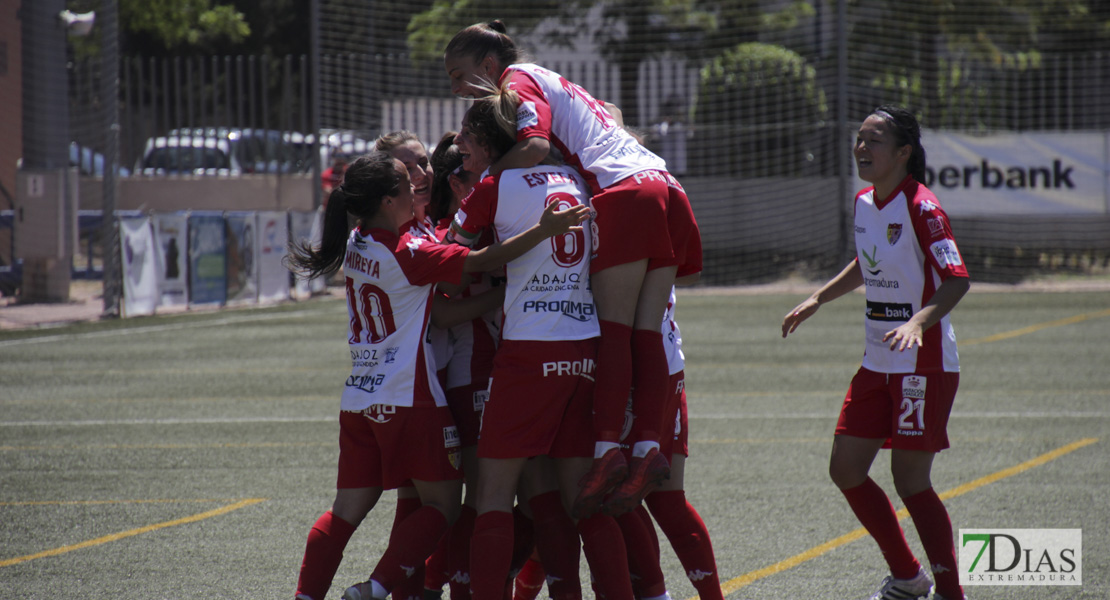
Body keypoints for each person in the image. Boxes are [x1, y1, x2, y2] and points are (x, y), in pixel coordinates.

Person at [286, 151, 589, 600]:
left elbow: (440, 304)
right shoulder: (410, 251)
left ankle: (306, 596)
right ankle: (375, 588)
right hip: (411, 398)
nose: (417, 191)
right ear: (389, 201)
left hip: (360, 398)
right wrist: (543, 232)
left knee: (346, 510)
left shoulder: (356, 241)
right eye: (408, 187)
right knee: (444, 504)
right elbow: (484, 259)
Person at [444, 20, 703, 518]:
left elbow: (535, 146)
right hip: (664, 182)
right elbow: (610, 116)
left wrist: (485, 184)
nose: (455, 88)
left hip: (625, 193)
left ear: (490, 67)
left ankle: (607, 451)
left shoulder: (515, 81)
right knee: (644, 331)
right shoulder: (556, 79)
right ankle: (648, 448)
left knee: (614, 331)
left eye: (459, 74)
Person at [447, 90, 635, 600]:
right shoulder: (575, 178)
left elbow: (452, 259)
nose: (460, 144)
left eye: (467, 135)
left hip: (530, 351)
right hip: (585, 350)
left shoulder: (491, 187)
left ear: (489, 142)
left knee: (492, 495)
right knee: (581, 498)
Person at [781, 105, 970, 600]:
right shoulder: (866, 202)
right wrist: (818, 297)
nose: (862, 147)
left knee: (910, 481)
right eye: (859, 138)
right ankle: (908, 579)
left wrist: (917, 322)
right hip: (876, 360)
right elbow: (868, 263)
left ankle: (951, 593)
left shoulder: (923, 207)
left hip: (921, 365)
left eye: (875, 140)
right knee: (845, 468)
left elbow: (956, 280)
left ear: (904, 152)